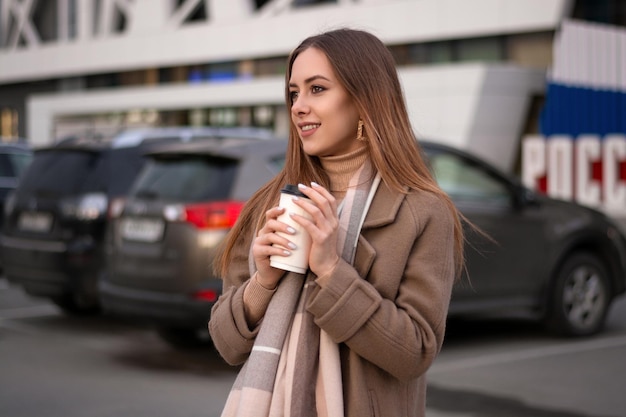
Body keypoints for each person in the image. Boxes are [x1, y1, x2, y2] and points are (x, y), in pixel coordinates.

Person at [208, 27, 465, 417]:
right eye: (294, 93)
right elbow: (227, 345)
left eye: (317, 89)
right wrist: (261, 284)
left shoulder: (423, 211)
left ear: (364, 100)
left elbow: (415, 352)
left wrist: (330, 270)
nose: (297, 106)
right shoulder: (269, 204)